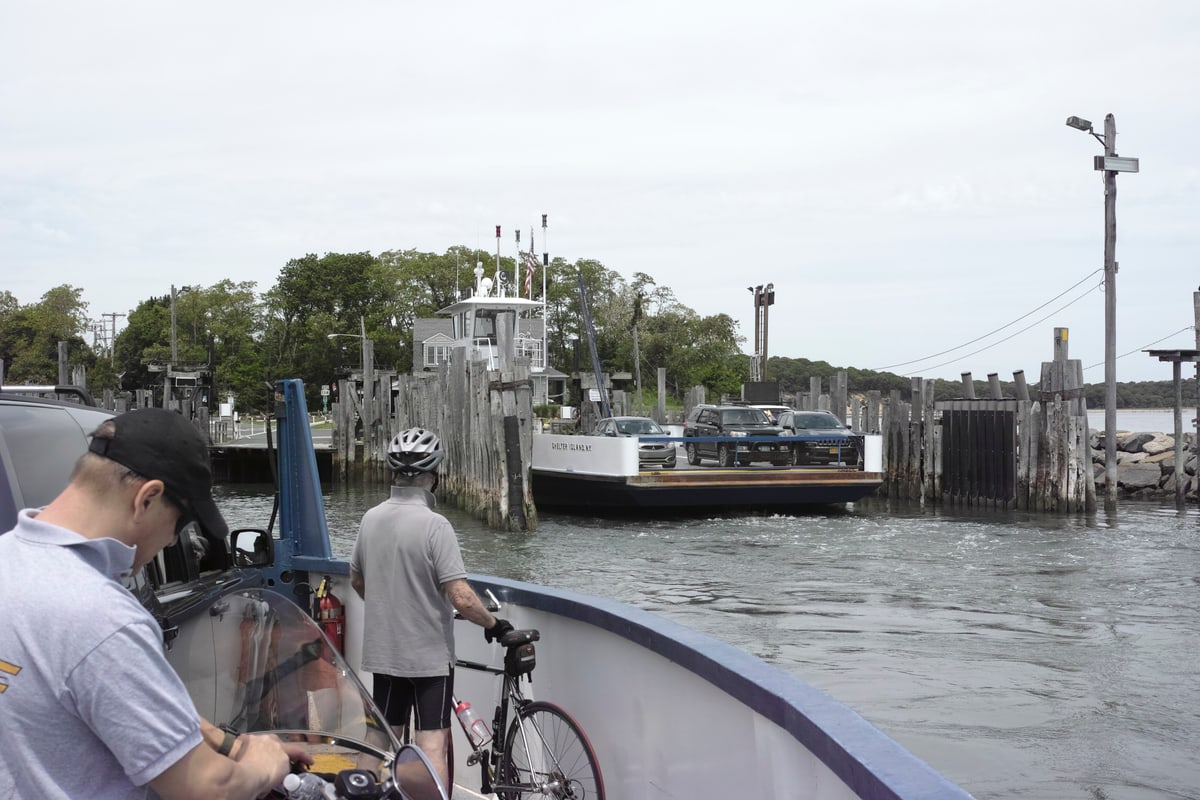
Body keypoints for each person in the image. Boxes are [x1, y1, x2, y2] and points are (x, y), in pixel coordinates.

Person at [0, 407, 310, 799]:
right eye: (180, 524)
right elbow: (206, 788)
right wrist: (263, 764)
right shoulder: (103, 619)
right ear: (147, 498)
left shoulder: (9, 561)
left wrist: (228, 744)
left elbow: (104, 699)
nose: (170, 542)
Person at [350, 426, 512, 790]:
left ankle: (356, 794)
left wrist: (389, 607)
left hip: (384, 652)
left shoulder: (370, 519)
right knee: (431, 744)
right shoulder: (435, 525)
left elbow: (358, 582)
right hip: (427, 660)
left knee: (379, 739)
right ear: (433, 475)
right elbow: (461, 596)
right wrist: (493, 624)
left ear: (394, 473)